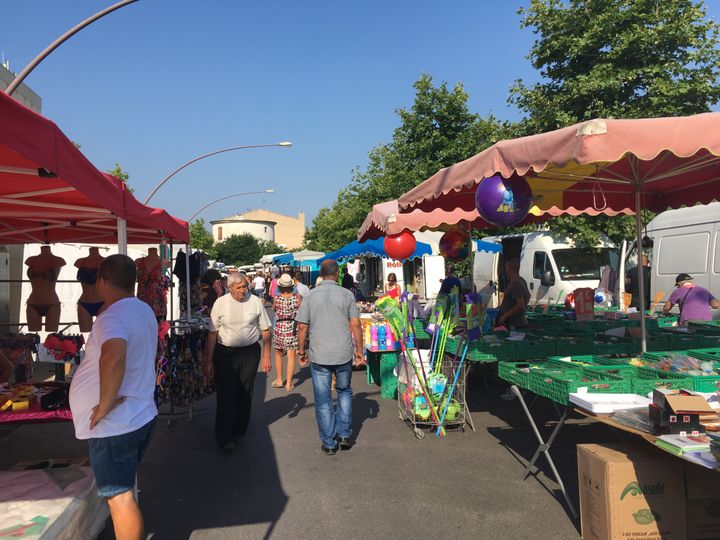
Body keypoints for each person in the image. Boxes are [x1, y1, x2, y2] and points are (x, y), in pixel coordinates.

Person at [68, 254, 158, 540]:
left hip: (117, 424)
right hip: (137, 414)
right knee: (124, 493)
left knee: (119, 498)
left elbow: (113, 357)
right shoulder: (142, 309)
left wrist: (105, 404)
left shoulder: (113, 316)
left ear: (104, 281)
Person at [296, 260, 363, 455]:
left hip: (319, 354)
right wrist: (359, 349)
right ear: (337, 274)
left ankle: (329, 441)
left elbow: (302, 326)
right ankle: (343, 434)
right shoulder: (347, 294)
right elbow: (356, 325)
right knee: (344, 391)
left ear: (322, 274)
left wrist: (301, 350)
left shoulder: (310, 296)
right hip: (343, 352)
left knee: (323, 398)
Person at [204, 273, 272, 452]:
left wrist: (267, 355)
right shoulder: (221, 303)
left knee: (245, 391)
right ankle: (225, 437)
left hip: (249, 352)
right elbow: (212, 333)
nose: (243, 290)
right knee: (226, 393)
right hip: (225, 353)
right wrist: (208, 361)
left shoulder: (255, 301)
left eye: (245, 287)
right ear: (229, 288)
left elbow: (265, 330)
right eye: (239, 287)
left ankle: (239, 430)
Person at [271, 274, 301, 391]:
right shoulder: (296, 297)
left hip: (279, 326)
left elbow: (274, 308)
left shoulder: (277, 298)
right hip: (292, 327)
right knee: (291, 356)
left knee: (278, 353)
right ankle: (289, 384)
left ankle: (279, 380)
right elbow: (301, 310)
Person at [25, 245, 65, 332]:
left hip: (52, 303)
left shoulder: (58, 260)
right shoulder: (30, 260)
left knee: (52, 336)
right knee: (33, 336)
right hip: (33, 303)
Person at [75, 247, 105, 332]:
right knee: (85, 333)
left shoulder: (105, 262)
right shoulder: (80, 262)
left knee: (103, 333)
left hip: (102, 303)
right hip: (84, 303)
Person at [496, 258, 530, 329]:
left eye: (506, 268)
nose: (506, 270)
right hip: (514, 321)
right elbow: (528, 296)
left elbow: (520, 305)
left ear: (509, 268)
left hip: (514, 323)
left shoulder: (516, 283)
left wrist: (505, 315)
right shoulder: (521, 280)